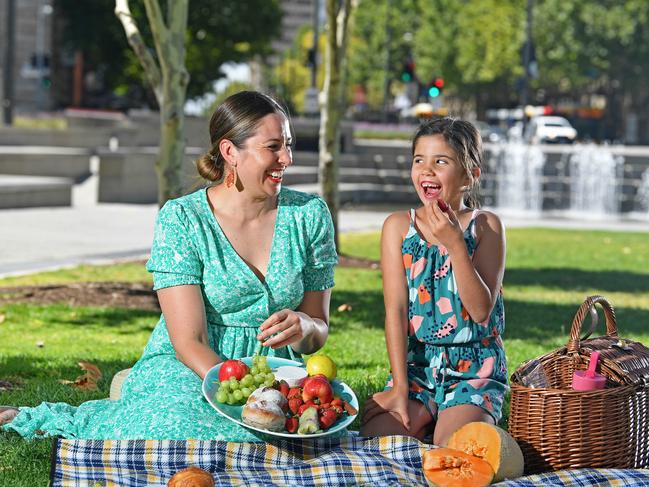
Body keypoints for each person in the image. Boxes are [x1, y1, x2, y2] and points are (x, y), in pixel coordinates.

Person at [1, 91, 337, 441]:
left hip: (274, 373)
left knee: (283, 436)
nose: (287, 157)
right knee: (173, 430)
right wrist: (241, 398)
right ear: (229, 152)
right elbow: (188, 340)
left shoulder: (309, 217)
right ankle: (135, 393)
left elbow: (318, 331)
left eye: (288, 144)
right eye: (273, 147)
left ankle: (130, 391)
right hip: (191, 365)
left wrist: (305, 326)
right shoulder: (183, 220)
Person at [360, 117, 508, 446]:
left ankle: (446, 423)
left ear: (470, 176)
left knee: (453, 453)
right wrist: (399, 388)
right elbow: (395, 311)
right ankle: (425, 417)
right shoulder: (397, 227)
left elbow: (480, 310)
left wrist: (455, 244)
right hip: (417, 369)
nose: (427, 170)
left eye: (441, 161)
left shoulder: (486, 226)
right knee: (376, 444)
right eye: (419, 160)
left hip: (473, 369)